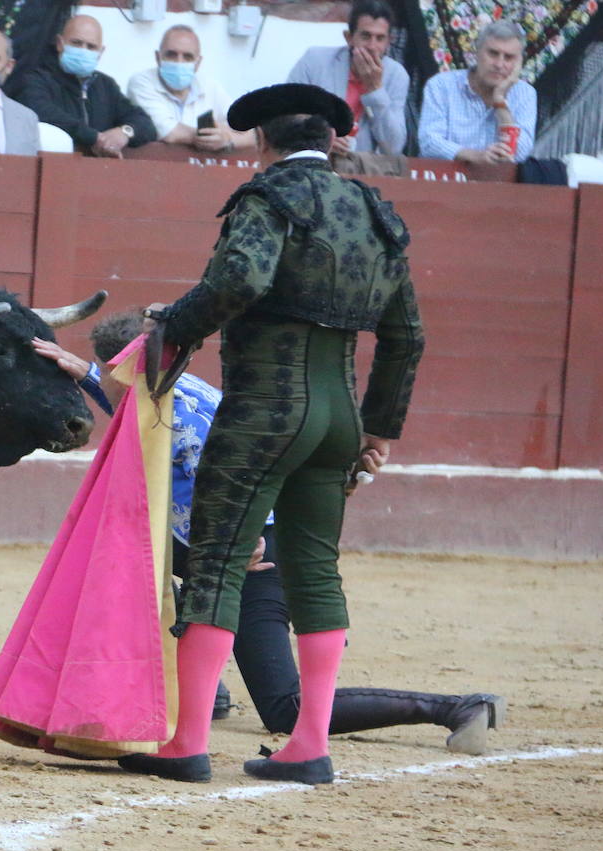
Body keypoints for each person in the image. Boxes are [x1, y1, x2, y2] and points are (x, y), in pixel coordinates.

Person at [108, 83, 425, 786]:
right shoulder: (376, 212)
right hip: (338, 417)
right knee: (313, 569)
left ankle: (187, 742)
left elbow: (241, 279)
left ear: (261, 143)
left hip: (265, 411)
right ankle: (309, 743)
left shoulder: (266, 198)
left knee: (218, 563)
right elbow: (407, 335)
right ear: (335, 142)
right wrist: (379, 428)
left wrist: (173, 332)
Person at [33, 314, 502, 761]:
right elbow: (129, 399)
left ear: (125, 368)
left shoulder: (178, 419)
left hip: (256, 551)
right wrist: (88, 374)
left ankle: (453, 708)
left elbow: (223, 472)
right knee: (130, 561)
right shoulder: (167, 389)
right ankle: (198, 687)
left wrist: (250, 532)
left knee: (285, 707)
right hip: (227, 541)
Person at [14, 14, 157, 158]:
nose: (83, 50)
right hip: (54, 168)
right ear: (59, 43)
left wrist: (125, 132)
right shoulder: (36, 79)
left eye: (91, 46)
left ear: (100, 52)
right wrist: (93, 137)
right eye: (76, 43)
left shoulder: (106, 85)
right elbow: (42, 111)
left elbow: (145, 123)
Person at [286, 0, 409, 156]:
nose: (372, 46)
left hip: (362, 167)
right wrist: (321, 138)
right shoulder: (314, 60)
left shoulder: (397, 75)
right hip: (312, 159)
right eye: (365, 36)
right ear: (349, 37)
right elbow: (286, 119)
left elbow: (394, 146)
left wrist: (375, 90)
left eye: (380, 38)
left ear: (388, 42)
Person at [418, 20, 536, 165]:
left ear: (519, 62)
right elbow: (429, 142)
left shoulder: (526, 93)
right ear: (477, 52)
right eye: (493, 54)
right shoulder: (441, 85)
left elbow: (520, 153)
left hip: (499, 185)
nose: (499, 64)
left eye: (509, 57)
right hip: (444, 183)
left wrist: (500, 102)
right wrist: (475, 156)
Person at [126, 25, 255, 155]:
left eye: (187, 57)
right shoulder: (141, 82)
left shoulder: (210, 86)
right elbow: (168, 131)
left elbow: (252, 131)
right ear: (158, 57)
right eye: (171, 55)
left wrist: (228, 139)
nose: (179, 62)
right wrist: (208, 137)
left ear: (198, 63)